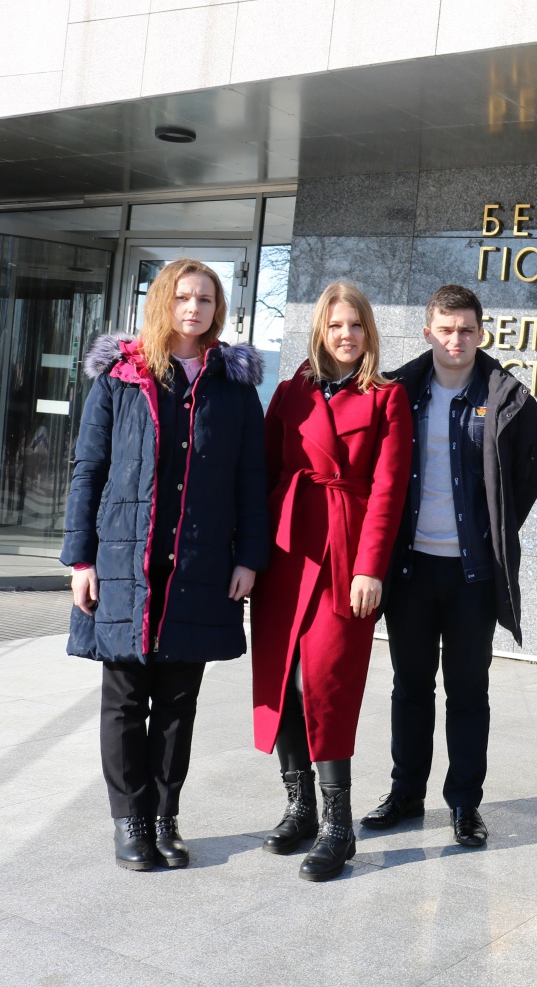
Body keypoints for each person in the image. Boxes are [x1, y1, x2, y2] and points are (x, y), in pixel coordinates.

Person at [61, 258, 268, 871]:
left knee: (179, 700)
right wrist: (80, 559)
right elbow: (88, 471)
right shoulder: (120, 378)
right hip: (125, 559)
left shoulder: (233, 387)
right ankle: (130, 819)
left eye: (205, 299)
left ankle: (164, 816)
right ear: (162, 303)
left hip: (200, 561)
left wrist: (249, 558)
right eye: (183, 297)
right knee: (125, 697)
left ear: (218, 309)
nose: (194, 308)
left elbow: (252, 481)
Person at [359, 285, 537, 846]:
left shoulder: (509, 397)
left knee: (468, 693)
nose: (456, 340)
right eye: (445, 329)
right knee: (410, 687)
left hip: (472, 575)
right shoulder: (396, 391)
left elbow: (526, 479)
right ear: (428, 333)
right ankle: (405, 793)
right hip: (411, 570)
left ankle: (465, 803)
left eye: (466, 329)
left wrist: (490, 533)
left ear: (481, 332)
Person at [251, 282, 411, 881]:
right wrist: (250, 553)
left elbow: (390, 491)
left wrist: (371, 566)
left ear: (370, 332)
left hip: (346, 553)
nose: (346, 335)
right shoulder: (291, 390)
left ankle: (338, 827)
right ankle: (300, 808)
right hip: (287, 549)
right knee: (285, 679)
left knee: (326, 681)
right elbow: (263, 471)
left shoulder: (387, 397)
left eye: (357, 325)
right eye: (336, 325)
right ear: (320, 329)